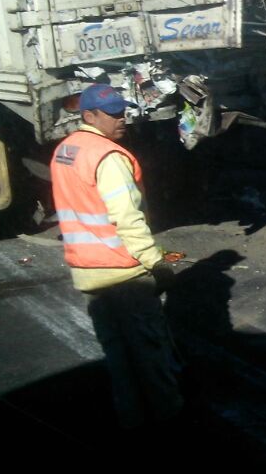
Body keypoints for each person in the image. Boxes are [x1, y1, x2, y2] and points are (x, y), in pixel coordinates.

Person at [51, 83, 182, 428]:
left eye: (122, 112)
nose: (120, 120)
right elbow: (127, 218)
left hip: (89, 274)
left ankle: (132, 426)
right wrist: (155, 262)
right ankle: (170, 429)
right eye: (112, 115)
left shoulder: (66, 151)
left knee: (119, 359)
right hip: (125, 275)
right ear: (89, 115)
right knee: (152, 358)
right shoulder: (108, 157)